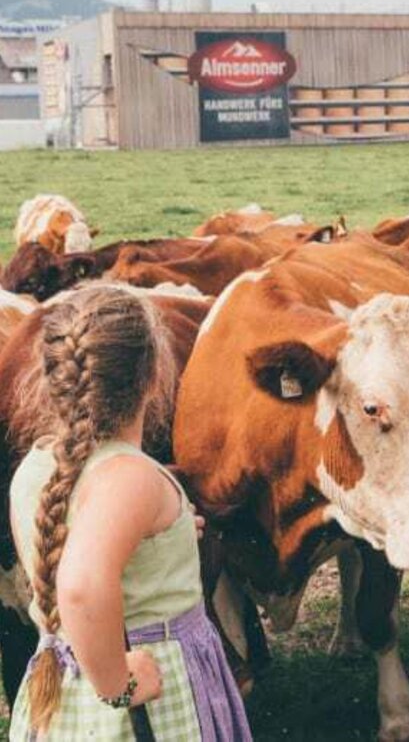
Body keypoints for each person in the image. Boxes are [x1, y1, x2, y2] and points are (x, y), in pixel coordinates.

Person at [8, 285, 252, 740]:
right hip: (141, 697)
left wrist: (169, 538)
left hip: (67, 689)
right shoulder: (131, 477)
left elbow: (77, 542)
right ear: (156, 374)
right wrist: (120, 684)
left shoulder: (36, 466)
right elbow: (80, 586)